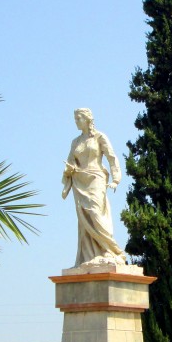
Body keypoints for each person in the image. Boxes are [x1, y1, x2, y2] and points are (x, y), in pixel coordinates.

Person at [62, 108, 127, 267]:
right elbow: (70, 162)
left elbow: (112, 158)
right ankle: (89, 256)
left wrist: (116, 179)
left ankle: (113, 251)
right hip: (79, 181)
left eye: (78, 118)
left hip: (96, 179)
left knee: (95, 213)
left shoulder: (99, 137)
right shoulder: (75, 142)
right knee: (84, 220)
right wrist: (68, 171)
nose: (76, 121)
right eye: (75, 119)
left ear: (87, 119)